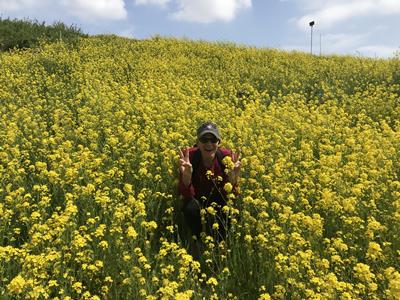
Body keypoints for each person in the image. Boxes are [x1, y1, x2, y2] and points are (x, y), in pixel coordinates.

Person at [178, 122, 241, 249]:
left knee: (232, 209)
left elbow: (232, 197)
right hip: (197, 199)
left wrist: (233, 181)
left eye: (213, 140)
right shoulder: (188, 158)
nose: (208, 144)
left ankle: (221, 243)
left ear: (219, 142)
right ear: (198, 142)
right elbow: (186, 197)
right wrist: (186, 178)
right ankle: (198, 241)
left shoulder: (227, 158)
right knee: (190, 208)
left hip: (219, 198)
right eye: (204, 140)